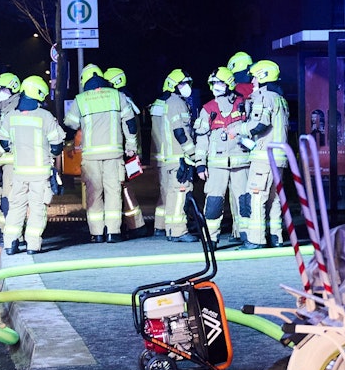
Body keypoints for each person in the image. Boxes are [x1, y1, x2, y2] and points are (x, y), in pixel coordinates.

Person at [65, 65, 137, 243]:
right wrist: (131, 145)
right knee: (113, 192)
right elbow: (130, 123)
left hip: (91, 157)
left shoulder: (81, 100)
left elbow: (70, 123)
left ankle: (97, 233)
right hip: (114, 154)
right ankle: (113, 232)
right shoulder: (117, 96)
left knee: (93, 194)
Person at [0, 75, 65, 254]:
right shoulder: (45, 116)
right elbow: (57, 146)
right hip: (40, 175)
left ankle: (10, 243)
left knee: (16, 208)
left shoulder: (10, 117)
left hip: (19, 174)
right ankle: (32, 245)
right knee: (37, 210)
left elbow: (3, 143)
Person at [195, 67, 250, 245]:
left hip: (241, 163)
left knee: (244, 201)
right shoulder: (208, 109)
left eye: (218, 82)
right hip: (216, 166)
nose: (215, 86)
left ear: (228, 84)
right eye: (213, 83)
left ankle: (248, 235)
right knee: (214, 202)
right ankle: (211, 238)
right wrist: (200, 164)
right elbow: (202, 140)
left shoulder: (243, 104)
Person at [240, 59, 289, 249]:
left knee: (256, 196)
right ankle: (276, 237)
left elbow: (259, 124)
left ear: (262, 77)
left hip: (264, 158)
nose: (251, 81)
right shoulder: (280, 99)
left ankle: (255, 239)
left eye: (254, 77)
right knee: (274, 199)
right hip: (278, 158)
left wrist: (239, 129)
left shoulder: (265, 97)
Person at [152, 69, 201, 242]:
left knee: (167, 194)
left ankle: (161, 226)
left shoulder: (159, 102)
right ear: (173, 85)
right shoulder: (176, 103)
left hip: (162, 158)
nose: (186, 87)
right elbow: (180, 131)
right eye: (182, 84)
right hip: (177, 157)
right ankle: (178, 231)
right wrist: (193, 153)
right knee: (180, 192)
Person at [106, 67, 149, 236]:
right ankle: (130, 224)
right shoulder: (127, 99)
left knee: (123, 189)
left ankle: (136, 225)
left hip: (124, 154)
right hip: (128, 153)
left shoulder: (120, 99)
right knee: (122, 188)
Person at [0, 72, 23, 243]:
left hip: (11, 161)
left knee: (10, 200)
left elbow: (5, 140)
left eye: (3, 89)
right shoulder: (4, 108)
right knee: (6, 199)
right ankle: (5, 233)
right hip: (4, 162)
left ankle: (13, 236)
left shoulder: (13, 110)